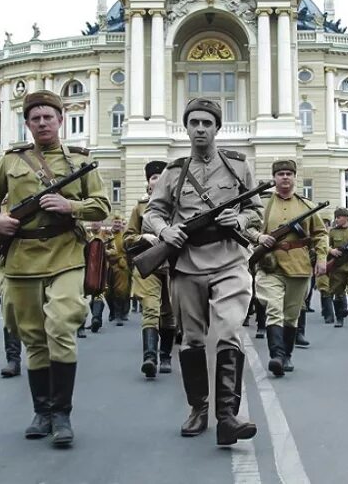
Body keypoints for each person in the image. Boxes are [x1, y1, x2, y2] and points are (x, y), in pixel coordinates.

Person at [0, 89, 110, 448]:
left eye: (48, 117)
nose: (42, 123)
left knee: (63, 324)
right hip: (21, 255)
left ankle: (63, 414)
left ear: (60, 120)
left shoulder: (79, 160)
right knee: (33, 336)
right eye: (35, 118)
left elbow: (101, 205)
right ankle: (43, 411)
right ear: (27, 123)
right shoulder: (10, 161)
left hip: (66, 252)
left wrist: (71, 207)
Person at [142, 98, 262, 446]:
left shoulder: (239, 166)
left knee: (228, 331)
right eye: (193, 122)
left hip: (228, 259)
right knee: (192, 340)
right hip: (188, 262)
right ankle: (198, 408)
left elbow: (256, 210)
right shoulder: (174, 171)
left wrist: (238, 219)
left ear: (217, 128)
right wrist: (165, 231)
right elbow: (154, 212)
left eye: (206, 123)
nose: (199, 129)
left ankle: (227, 417)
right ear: (186, 127)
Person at [247, 159, 328, 377]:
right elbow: (248, 227)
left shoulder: (307, 206)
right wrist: (259, 237)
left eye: (288, 174)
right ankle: (276, 356)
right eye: (280, 174)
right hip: (270, 265)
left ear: (294, 177)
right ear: (274, 178)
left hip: (299, 265)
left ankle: (286, 356)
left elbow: (321, 234)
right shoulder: (263, 205)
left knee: (291, 315)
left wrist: (321, 258)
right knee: (274, 309)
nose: (284, 177)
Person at [124, 160, 177, 378]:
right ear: (148, 182)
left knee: (170, 314)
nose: (158, 181)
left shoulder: (179, 206)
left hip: (174, 266)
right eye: (154, 177)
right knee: (151, 311)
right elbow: (126, 240)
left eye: (162, 177)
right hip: (149, 267)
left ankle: (165, 356)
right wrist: (142, 237)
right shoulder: (140, 207)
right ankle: (149, 357)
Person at [105, 215, 130, 327]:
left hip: (121, 267)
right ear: (112, 223)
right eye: (115, 222)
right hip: (108, 266)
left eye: (119, 222)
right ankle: (112, 312)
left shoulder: (125, 235)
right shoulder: (107, 235)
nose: (117, 224)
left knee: (121, 290)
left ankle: (120, 314)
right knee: (107, 292)